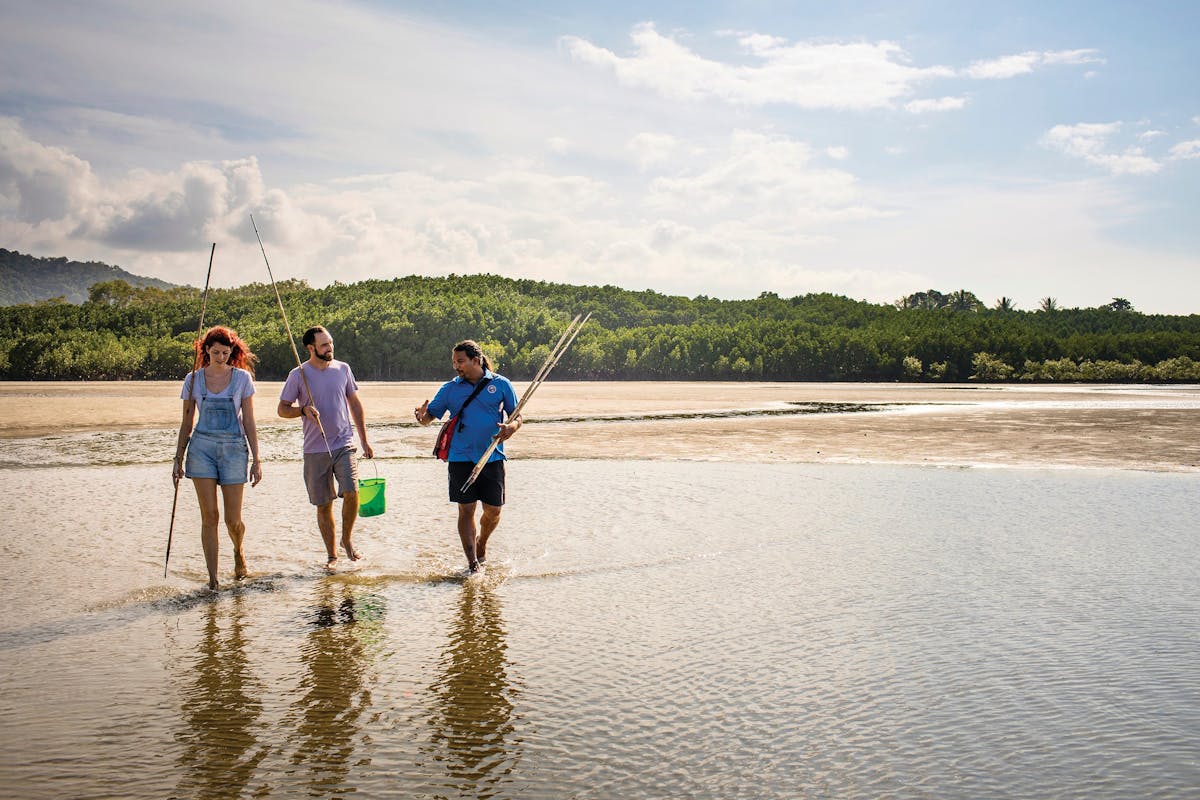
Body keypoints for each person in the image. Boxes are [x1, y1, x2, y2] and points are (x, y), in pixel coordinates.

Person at [414, 340, 521, 573]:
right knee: (466, 509)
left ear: (476, 360)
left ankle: (482, 542)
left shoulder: (501, 384)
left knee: (493, 511)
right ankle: (472, 562)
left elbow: (517, 417)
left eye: (460, 361)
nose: (456, 367)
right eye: (454, 362)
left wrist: (511, 428)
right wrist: (421, 417)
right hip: (460, 457)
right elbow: (429, 417)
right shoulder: (450, 388)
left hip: (492, 456)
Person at [173, 325, 263, 590]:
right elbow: (187, 422)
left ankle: (238, 551)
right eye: (216, 353)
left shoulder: (242, 379)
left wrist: (257, 459)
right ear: (206, 351)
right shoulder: (193, 380)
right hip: (201, 450)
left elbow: (249, 420)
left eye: (226, 353)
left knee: (232, 520)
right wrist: (177, 459)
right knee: (209, 517)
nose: (221, 358)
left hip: (234, 449)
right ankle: (213, 580)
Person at [277, 325, 374, 567]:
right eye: (323, 345)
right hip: (314, 449)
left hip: (344, 443)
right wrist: (302, 410)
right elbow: (282, 409)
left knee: (352, 491)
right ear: (311, 348)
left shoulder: (343, 369)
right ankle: (332, 555)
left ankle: (347, 540)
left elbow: (355, 404)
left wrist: (364, 439)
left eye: (330, 343)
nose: (329, 348)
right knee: (324, 504)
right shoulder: (298, 375)